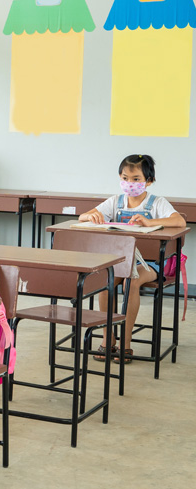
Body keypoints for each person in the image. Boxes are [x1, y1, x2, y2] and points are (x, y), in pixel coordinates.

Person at [79, 154, 185, 364]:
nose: (130, 183)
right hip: (121, 260)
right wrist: (91, 216)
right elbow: (82, 216)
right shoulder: (115, 201)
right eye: (125, 177)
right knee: (105, 279)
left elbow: (179, 221)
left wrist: (150, 221)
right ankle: (108, 339)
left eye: (136, 179)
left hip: (151, 263)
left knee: (132, 280)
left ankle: (125, 343)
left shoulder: (156, 203)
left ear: (149, 181)